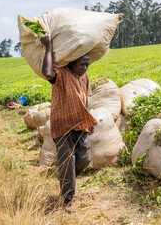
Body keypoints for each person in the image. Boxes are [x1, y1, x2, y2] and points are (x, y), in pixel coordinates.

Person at [41, 34, 97, 213]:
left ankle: (66, 180)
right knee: (67, 160)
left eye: (87, 63)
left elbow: (85, 98)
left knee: (85, 158)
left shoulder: (84, 76)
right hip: (63, 125)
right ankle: (67, 200)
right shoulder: (61, 74)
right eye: (81, 63)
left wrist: (88, 119)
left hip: (80, 123)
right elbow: (47, 73)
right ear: (71, 62)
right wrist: (48, 46)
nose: (84, 66)